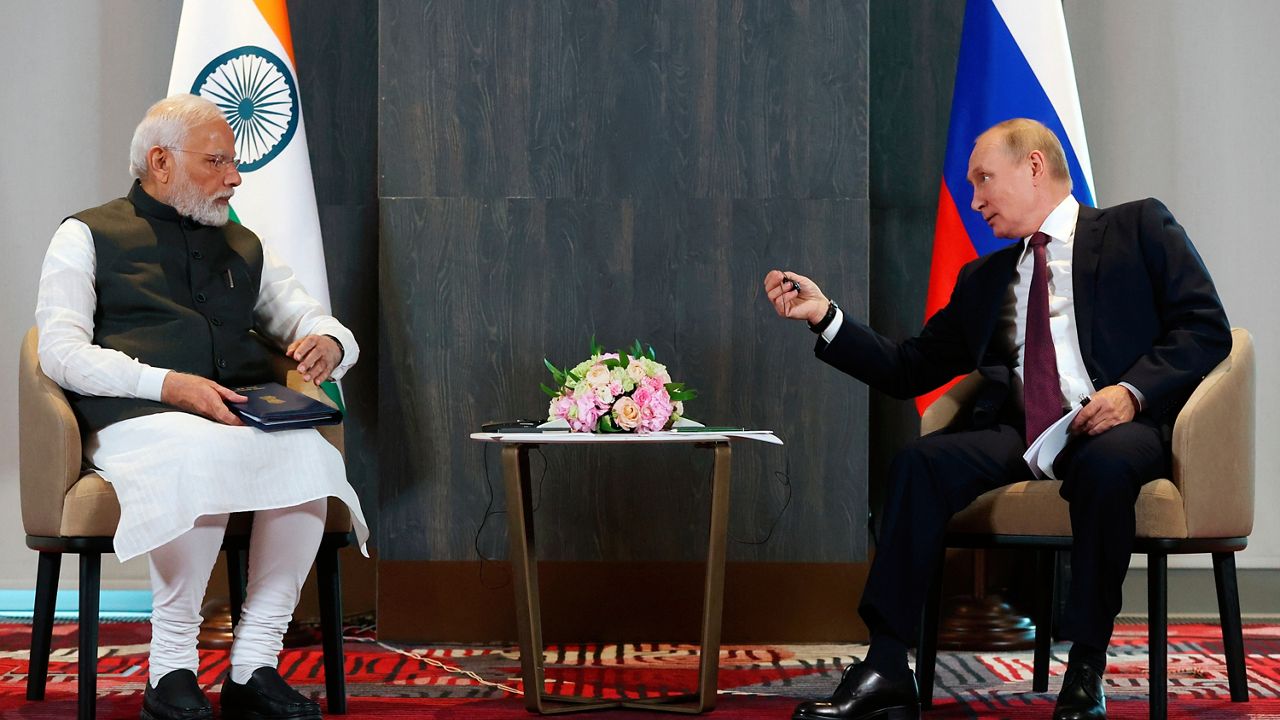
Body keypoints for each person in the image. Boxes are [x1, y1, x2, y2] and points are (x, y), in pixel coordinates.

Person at [765, 118, 1230, 720]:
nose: (974, 199)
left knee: (1106, 468)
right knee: (918, 464)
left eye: (984, 179)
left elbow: (1205, 327)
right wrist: (825, 315)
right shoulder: (985, 279)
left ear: (1033, 167)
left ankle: (1087, 666)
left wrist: (1131, 393)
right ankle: (885, 665)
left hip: (1118, 424)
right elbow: (910, 368)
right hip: (1023, 433)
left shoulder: (1137, 227)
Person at [35, 94, 370, 720]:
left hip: (237, 415)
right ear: (160, 161)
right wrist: (167, 386)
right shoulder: (85, 233)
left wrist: (329, 341)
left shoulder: (242, 243)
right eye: (216, 162)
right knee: (194, 451)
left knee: (307, 456)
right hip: (134, 418)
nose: (235, 178)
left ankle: (253, 667)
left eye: (234, 162)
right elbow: (59, 352)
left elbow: (306, 316)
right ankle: (170, 672)